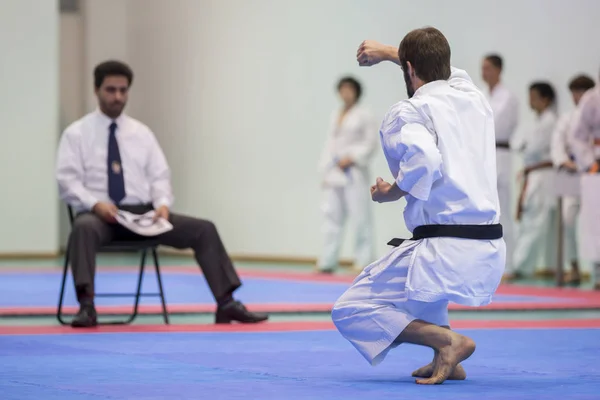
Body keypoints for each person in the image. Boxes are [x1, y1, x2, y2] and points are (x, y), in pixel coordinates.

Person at [331, 28, 505, 385]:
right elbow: (449, 73)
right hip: (488, 249)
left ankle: (448, 341)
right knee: (424, 289)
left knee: (350, 309)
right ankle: (445, 357)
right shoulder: (475, 99)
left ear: (410, 70)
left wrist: (392, 191)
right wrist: (390, 53)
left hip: (444, 249)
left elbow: (425, 159)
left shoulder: (411, 111)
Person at [55, 60, 269, 327]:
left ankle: (226, 303)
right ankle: (87, 306)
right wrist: (95, 204)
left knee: (204, 229)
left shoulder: (141, 133)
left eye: (123, 90)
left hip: (143, 214)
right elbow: (67, 180)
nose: (118, 96)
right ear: (96, 89)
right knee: (82, 228)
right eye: (111, 90)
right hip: (100, 217)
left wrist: (163, 204)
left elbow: (159, 176)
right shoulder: (76, 134)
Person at [317, 77, 378, 273]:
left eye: (349, 89)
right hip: (335, 173)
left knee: (360, 218)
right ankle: (327, 261)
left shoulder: (364, 114)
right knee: (331, 217)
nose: (346, 93)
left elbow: (371, 143)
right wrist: (324, 170)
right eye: (342, 89)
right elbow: (330, 144)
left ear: (356, 91)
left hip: (354, 172)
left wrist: (352, 157)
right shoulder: (336, 114)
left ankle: (363, 261)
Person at [507, 83, 558, 281]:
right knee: (531, 221)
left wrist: (524, 145)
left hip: (543, 176)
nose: (530, 100)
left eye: (534, 96)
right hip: (535, 175)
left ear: (545, 99)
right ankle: (522, 265)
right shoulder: (537, 121)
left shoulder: (549, 122)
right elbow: (518, 143)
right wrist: (524, 145)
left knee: (534, 222)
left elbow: (531, 148)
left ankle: (520, 266)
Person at [550, 75, 596, 285]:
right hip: (572, 176)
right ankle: (574, 266)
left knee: (596, 224)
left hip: (593, 173)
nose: (578, 97)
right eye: (575, 92)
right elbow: (557, 144)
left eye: (582, 92)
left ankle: (596, 272)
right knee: (568, 220)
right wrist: (564, 161)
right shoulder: (567, 118)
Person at [481, 54, 519, 274]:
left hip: (500, 154)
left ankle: (508, 265)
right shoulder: (482, 95)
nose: (483, 72)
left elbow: (493, 125)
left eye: (487, 68)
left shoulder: (508, 98)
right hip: (484, 155)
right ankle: (490, 264)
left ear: (498, 69)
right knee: (487, 212)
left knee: (502, 211)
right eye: (482, 68)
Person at [569, 69, 600, 290]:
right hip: (597, 165)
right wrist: (589, 163)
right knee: (595, 222)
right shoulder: (592, 98)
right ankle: (598, 271)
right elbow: (577, 135)